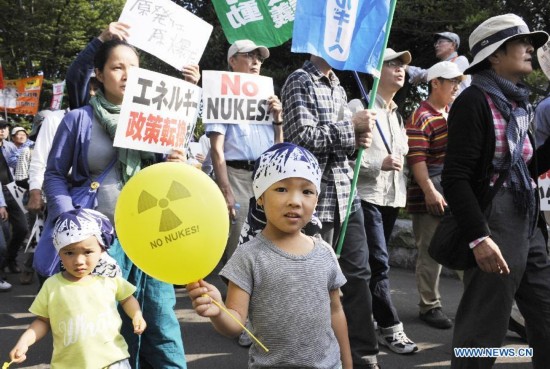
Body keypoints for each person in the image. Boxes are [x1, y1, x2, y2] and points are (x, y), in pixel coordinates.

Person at [42, 38, 194, 368]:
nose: (127, 73)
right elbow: (54, 174)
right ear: (98, 74)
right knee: (105, 327)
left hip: (152, 239)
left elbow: (175, 181)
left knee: (160, 321)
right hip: (99, 245)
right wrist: (72, 224)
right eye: (117, 67)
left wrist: (178, 161)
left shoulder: (160, 120)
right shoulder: (78, 119)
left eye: (134, 67)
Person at [441, 14, 550, 368]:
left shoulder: (519, 103)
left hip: (528, 225)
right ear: (494, 55)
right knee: (482, 333)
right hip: (493, 225)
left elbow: (525, 167)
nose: (530, 48)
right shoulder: (473, 101)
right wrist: (478, 238)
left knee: (547, 319)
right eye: (521, 42)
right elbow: (456, 177)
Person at [187, 143, 352, 369]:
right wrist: (218, 310)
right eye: (281, 189)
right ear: (260, 197)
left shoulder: (325, 253)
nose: (295, 200)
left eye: (307, 191)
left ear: (316, 199)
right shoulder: (248, 256)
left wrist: (348, 363)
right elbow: (236, 324)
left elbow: (336, 311)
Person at [282, 54, 380, 369]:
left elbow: (343, 144)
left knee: (358, 274)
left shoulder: (338, 85)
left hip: (346, 193)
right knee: (314, 281)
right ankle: (309, 355)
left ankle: (362, 353)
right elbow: (302, 139)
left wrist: (357, 139)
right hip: (315, 199)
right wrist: (351, 127)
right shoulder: (300, 79)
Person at [9, 208, 146, 368]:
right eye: (69, 253)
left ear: (101, 250)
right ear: (59, 252)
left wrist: (137, 315)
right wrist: (24, 342)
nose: (79, 260)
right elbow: (43, 321)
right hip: (69, 365)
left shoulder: (109, 279)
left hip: (113, 360)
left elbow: (127, 298)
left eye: (88, 252)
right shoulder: (52, 285)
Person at [350, 48, 416, 354]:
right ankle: (391, 327)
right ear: (375, 71)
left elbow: (402, 157)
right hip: (366, 197)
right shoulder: (358, 106)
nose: (399, 69)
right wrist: (379, 164)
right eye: (391, 64)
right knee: (379, 263)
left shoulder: (398, 114)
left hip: (392, 199)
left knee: (371, 264)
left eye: (401, 65)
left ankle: (366, 320)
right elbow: (346, 158)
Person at [207, 39, 284, 266]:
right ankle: (235, 297)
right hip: (237, 176)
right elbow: (216, 149)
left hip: (265, 176)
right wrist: (226, 190)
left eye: (259, 58)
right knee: (238, 240)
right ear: (232, 60)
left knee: (267, 237)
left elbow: (279, 146)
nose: (255, 62)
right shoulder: (221, 95)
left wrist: (278, 120)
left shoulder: (267, 98)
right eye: (249, 56)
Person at [406, 61, 465, 329]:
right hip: (430, 191)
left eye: (458, 81)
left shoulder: (453, 111)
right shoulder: (420, 116)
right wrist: (430, 191)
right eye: (451, 81)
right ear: (435, 83)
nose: (456, 86)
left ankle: (476, 303)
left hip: (456, 189)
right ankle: (429, 306)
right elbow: (417, 160)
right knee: (431, 253)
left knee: (467, 247)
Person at [0, 119, 29, 275]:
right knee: (4, 234)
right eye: (0, 127)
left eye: (4, 127)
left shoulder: (10, 147)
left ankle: (10, 258)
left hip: (13, 191)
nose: (2, 130)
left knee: (22, 228)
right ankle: (3, 265)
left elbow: (18, 164)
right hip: (0, 195)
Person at [406, 31, 471, 95]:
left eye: (440, 42)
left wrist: (406, 67)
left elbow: (429, 73)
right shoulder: (441, 65)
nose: (436, 45)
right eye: (436, 43)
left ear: (453, 45)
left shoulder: (461, 60)